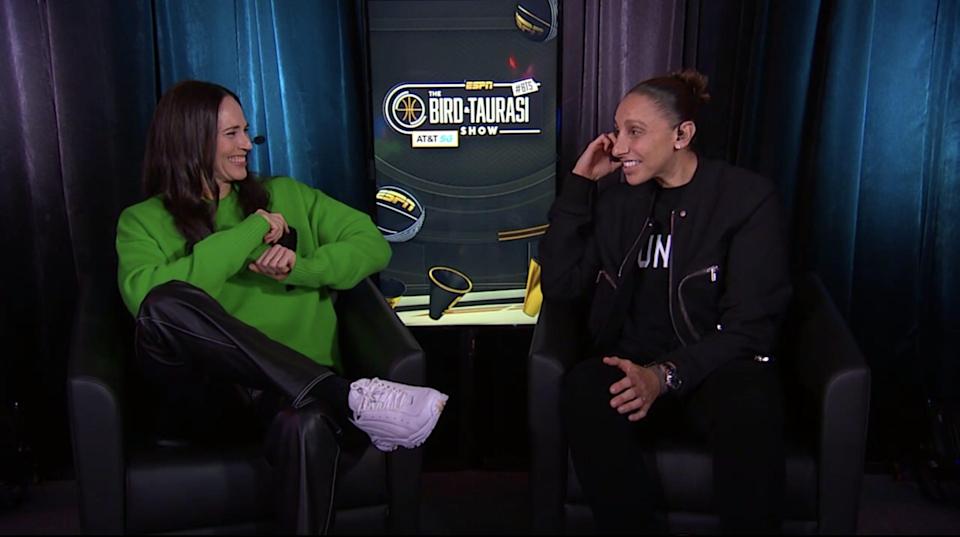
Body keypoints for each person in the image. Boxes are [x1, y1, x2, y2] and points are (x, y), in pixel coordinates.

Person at [116, 80, 448, 534]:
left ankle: (325, 394)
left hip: (290, 399)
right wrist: (251, 231)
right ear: (189, 140)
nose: (245, 145)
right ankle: (343, 394)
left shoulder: (288, 195)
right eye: (230, 134)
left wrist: (301, 268)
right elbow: (145, 304)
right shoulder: (142, 221)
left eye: (246, 131)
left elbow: (372, 245)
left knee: (307, 424)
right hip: (212, 399)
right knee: (163, 300)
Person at [539, 69, 792, 534]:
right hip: (632, 364)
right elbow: (560, 285)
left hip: (713, 370)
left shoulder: (745, 199)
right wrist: (579, 185)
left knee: (750, 400)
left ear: (682, 134)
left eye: (635, 132)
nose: (617, 147)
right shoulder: (617, 203)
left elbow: (750, 329)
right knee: (584, 387)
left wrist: (666, 375)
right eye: (617, 131)